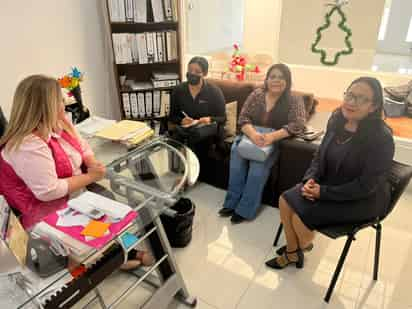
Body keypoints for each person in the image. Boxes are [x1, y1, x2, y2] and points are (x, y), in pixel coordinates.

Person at [0, 75, 152, 269]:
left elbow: (82, 145)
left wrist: (92, 162)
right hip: (45, 210)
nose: (64, 105)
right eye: (59, 101)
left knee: (108, 204)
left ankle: (127, 249)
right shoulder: (27, 145)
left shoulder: (58, 121)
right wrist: (91, 176)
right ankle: (112, 261)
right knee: (95, 222)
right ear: (45, 106)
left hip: (73, 193)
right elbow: (48, 191)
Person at [265, 77, 395, 270]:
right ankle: (294, 251)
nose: (351, 102)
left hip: (360, 198)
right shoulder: (337, 120)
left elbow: (367, 186)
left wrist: (322, 193)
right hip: (329, 182)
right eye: (350, 95)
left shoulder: (381, 138)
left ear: (374, 106)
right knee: (285, 200)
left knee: (300, 217)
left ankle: (295, 249)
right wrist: (311, 179)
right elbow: (319, 156)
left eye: (361, 99)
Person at [218, 63, 306, 224]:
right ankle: (231, 203)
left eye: (281, 77)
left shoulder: (295, 99)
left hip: (273, 138)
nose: (276, 80)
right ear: (266, 79)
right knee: (236, 167)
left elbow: (298, 124)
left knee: (256, 172)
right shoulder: (257, 94)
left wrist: (272, 137)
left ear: (287, 81)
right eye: (273, 77)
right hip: (250, 135)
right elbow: (243, 118)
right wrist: (252, 134)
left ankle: (245, 210)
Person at [169, 56, 226, 177]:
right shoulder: (178, 90)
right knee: (173, 139)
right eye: (190, 70)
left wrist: (209, 119)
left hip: (206, 129)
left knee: (194, 137)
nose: (192, 73)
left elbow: (222, 117)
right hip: (187, 128)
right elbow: (173, 116)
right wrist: (182, 120)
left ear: (204, 73)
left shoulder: (214, 91)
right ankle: (182, 174)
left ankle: (188, 176)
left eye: (197, 71)